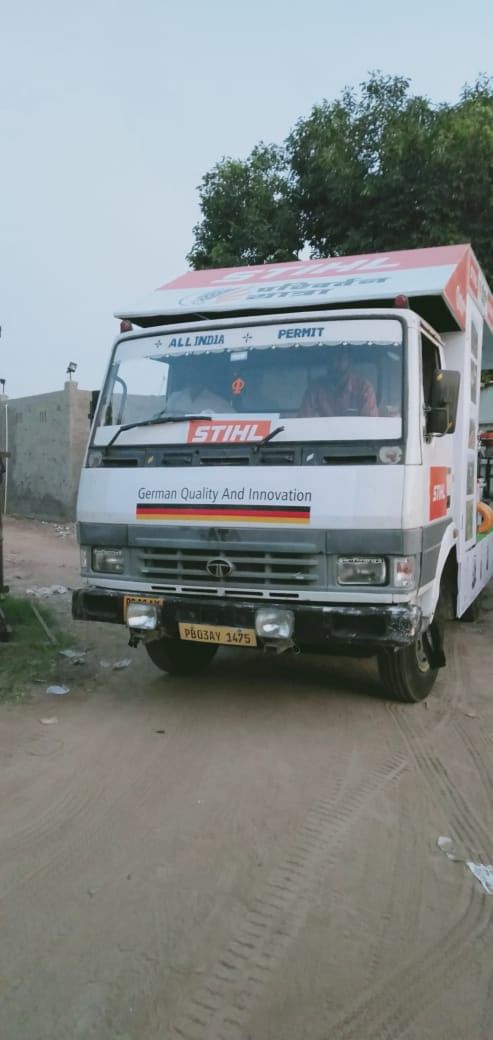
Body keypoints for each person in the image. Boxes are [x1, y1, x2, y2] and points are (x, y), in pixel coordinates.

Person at [300, 349, 378, 417]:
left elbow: (370, 423)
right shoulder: (315, 388)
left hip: (356, 434)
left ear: (350, 362)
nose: (334, 364)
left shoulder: (364, 387)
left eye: (339, 359)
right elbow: (303, 420)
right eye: (331, 359)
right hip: (325, 433)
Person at [166, 362, 230, 414]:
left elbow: (233, 420)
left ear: (204, 376)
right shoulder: (174, 398)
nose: (192, 376)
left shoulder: (218, 402)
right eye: (190, 372)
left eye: (196, 373)